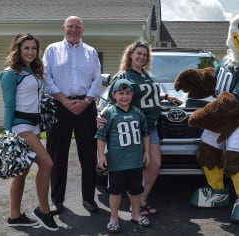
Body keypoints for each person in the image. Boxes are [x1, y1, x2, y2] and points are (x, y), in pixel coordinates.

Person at [98, 41, 181, 216]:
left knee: (154, 164)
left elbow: (147, 95)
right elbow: (113, 101)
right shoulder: (123, 77)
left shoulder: (146, 75)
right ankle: (135, 206)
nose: (142, 57)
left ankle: (141, 200)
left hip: (150, 127)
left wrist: (166, 96)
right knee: (133, 167)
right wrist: (101, 115)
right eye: (138, 54)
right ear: (130, 55)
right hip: (131, 128)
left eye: (145, 54)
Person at [43, 16, 102, 213]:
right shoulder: (52, 50)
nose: (74, 30)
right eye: (70, 26)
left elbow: (97, 80)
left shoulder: (91, 52)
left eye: (77, 27)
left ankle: (88, 199)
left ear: (82, 30)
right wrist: (65, 101)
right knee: (57, 156)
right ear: (63, 28)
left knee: (88, 156)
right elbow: (46, 78)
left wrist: (85, 101)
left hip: (86, 106)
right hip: (60, 106)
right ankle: (56, 201)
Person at [0, 33, 59, 231]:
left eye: (33, 48)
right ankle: (43, 210)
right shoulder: (11, 73)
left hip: (34, 125)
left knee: (22, 171)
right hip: (19, 125)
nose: (30, 52)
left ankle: (14, 216)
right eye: (26, 48)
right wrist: (8, 135)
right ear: (17, 49)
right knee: (47, 163)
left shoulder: (33, 70)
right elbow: (8, 105)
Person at [96, 79, 152, 233]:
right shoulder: (109, 112)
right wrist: (101, 155)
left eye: (128, 93)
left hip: (135, 160)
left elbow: (145, 134)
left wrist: (146, 152)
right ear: (113, 94)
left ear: (132, 94)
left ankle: (136, 214)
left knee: (136, 190)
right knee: (115, 191)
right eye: (121, 93)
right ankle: (113, 218)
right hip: (117, 161)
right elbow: (101, 136)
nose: (124, 97)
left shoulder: (137, 112)